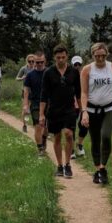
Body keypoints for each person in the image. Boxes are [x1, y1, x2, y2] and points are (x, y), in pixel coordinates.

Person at [80, 43, 112, 184]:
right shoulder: (87, 70)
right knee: (95, 139)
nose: (100, 59)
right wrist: (84, 111)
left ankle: (103, 167)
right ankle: (98, 169)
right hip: (93, 108)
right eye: (97, 56)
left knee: (106, 136)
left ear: (107, 54)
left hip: (111, 107)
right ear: (93, 55)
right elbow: (84, 92)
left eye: (103, 56)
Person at [39, 45, 81, 179]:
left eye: (63, 57)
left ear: (67, 56)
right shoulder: (49, 72)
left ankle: (68, 164)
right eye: (58, 58)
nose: (61, 60)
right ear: (54, 58)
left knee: (69, 134)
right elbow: (44, 94)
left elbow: (79, 93)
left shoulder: (74, 72)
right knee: (57, 137)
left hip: (69, 109)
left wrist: (83, 110)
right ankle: (59, 165)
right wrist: (41, 114)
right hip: (54, 109)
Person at [23, 52, 48, 156]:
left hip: (49, 103)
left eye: (41, 62)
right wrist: (25, 105)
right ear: (34, 62)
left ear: (45, 61)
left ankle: (44, 139)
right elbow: (26, 91)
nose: (39, 64)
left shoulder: (49, 72)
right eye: (37, 62)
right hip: (35, 103)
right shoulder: (30, 75)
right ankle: (40, 148)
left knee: (46, 127)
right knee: (38, 126)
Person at [70, 55, 88, 160]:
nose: (77, 66)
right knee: (72, 126)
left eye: (79, 64)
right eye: (75, 64)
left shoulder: (85, 75)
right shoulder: (70, 76)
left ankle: (80, 144)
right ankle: (71, 149)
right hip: (72, 105)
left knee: (84, 125)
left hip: (84, 105)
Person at [17, 54, 35, 132]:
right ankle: (24, 125)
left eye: (32, 61)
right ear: (27, 61)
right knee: (25, 109)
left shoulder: (37, 69)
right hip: (25, 91)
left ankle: (36, 126)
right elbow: (17, 78)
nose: (31, 63)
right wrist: (22, 78)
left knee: (32, 110)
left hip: (34, 92)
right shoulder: (23, 69)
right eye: (29, 61)